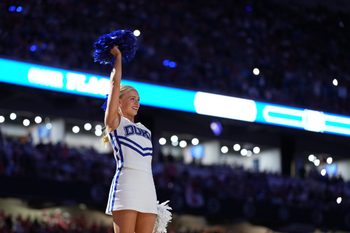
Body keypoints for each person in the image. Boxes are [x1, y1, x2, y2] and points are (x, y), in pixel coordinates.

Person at [104, 46, 157, 233]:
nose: (137, 103)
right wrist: (117, 57)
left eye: (138, 100)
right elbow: (114, 84)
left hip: (148, 186)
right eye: (132, 98)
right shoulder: (115, 123)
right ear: (118, 101)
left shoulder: (146, 131)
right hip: (127, 184)